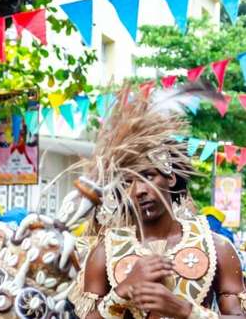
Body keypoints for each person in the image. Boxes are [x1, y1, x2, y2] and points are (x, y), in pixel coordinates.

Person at [75, 85, 246, 319]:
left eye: (148, 176)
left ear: (171, 177)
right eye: (127, 182)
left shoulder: (217, 247)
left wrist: (185, 310)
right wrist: (122, 291)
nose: (138, 191)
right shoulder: (104, 253)